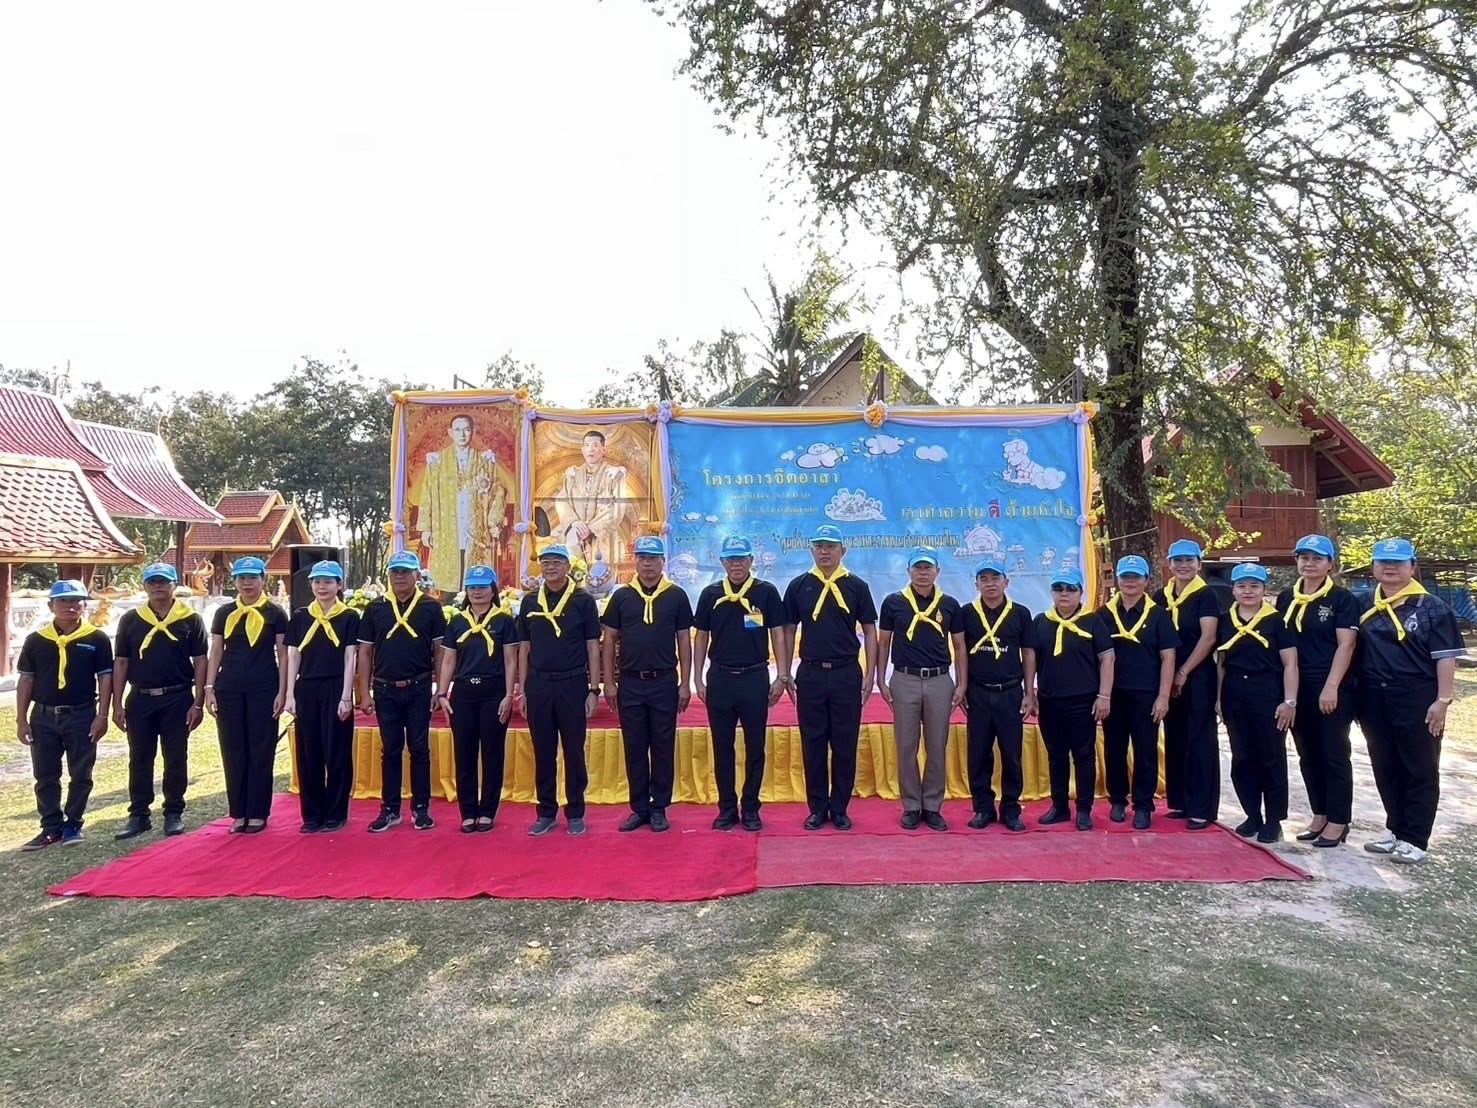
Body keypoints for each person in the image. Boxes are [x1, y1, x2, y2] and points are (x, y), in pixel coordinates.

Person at [1355, 538, 1465, 864]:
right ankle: (1395, 829)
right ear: (1374, 566)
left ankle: (1415, 838)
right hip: (1374, 696)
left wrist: (1443, 701)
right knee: (1384, 764)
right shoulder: (1363, 604)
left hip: (1416, 696)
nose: (1390, 568)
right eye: (1383, 562)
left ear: (1412, 567)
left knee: (1419, 767)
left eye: (1399, 563)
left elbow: (1446, 659)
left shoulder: (1433, 608)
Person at [782, 524, 878, 831]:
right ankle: (816, 807)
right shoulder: (799, 586)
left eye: (831, 546)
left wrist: (871, 674)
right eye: (820, 546)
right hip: (810, 673)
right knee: (813, 743)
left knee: (844, 743)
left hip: (846, 673)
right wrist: (785, 672)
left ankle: (839, 808)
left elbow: (870, 631)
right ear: (812, 550)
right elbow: (786, 629)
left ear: (843, 551)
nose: (825, 552)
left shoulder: (856, 586)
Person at [692, 534, 790, 831]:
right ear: (722, 562)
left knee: (755, 746)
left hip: (755, 678)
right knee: (722, 746)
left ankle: (750, 807)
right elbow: (700, 637)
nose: (737, 564)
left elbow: (778, 633)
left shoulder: (766, 593)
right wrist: (697, 678)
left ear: (751, 561)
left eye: (742, 559)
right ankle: (725, 808)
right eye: (731, 559)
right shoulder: (710, 594)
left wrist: (781, 675)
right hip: (720, 679)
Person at [602, 536, 694, 832]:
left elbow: (684, 640)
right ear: (636, 561)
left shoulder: (676, 596)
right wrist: (609, 683)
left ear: (662, 562)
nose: (648, 563)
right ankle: (638, 807)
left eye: (653, 558)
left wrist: (685, 683)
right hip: (630, 683)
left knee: (663, 745)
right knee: (635, 746)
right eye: (642, 558)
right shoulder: (622, 596)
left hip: (664, 682)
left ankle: (659, 807)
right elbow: (609, 640)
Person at [1274, 535, 1360, 848]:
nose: (1309, 563)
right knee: (1307, 753)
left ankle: (1339, 820)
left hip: (1331, 687)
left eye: (1317, 558)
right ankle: (1320, 813)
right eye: (1304, 557)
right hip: (1298, 687)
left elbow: (1346, 645)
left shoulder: (1342, 599)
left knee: (1334, 753)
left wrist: (1332, 686)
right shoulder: (1286, 598)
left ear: (1330, 564)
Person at [15, 580, 113, 850]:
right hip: (43, 717)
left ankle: (73, 823)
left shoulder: (97, 638)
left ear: (84, 604)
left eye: (76, 601)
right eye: (63, 601)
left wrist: (102, 715)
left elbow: (105, 678)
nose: (70, 606)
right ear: (51, 605)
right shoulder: (36, 640)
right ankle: (50, 826)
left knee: (81, 771)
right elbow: (26, 680)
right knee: (45, 774)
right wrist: (21, 719)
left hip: (81, 714)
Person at [112, 562, 206, 840]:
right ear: (144, 586)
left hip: (177, 696)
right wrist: (117, 704)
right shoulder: (131, 619)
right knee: (139, 757)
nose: (157, 586)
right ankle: (139, 814)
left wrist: (197, 702)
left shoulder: (189, 619)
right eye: (152, 582)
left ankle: (174, 811)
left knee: (175, 756)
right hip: (140, 697)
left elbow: (201, 661)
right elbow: (121, 662)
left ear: (174, 585)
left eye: (163, 582)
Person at [877, 546, 967, 831]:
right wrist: (881, 678)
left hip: (940, 680)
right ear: (908, 571)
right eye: (917, 567)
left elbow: (960, 645)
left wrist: (961, 682)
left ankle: (932, 805)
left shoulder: (950, 604)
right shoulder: (894, 603)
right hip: (904, 680)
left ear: (937, 571)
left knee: (937, 745)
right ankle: (911, 805)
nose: (922, 573)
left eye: (928, 567)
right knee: (906, 745)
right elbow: (883, 643)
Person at [356, 550, 446, 833]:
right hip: (384, 689)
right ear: (389, 575)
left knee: (419, 748)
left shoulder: (431, 608)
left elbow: (440, 652)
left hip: (419, 687)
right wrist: (364, 691)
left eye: (406, 572)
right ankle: (390, 809)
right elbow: (365, 652)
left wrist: (440, 688)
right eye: (395, 572)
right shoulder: (376, 608)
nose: (400, 576)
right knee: (391, 749)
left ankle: (421, 809)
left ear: (417, 575)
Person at [516, 544, 602, 836]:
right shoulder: (530, 602)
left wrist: (594, 688)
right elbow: (523, 647)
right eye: (545, 562)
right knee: (543, 750)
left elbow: (593, 645)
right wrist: (523, 688)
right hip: (539, 684)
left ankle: (575, 810)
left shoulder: (583, 601)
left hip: (573, 683)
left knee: (574, 750)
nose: (550, 567)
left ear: (568, 567)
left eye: (556, 562)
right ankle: (546, 811)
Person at [205, 557, 289, 834]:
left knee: (261, 749)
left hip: (264, 688)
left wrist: (283, 690)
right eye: (241, 578)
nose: (247, 583)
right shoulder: (224, 613)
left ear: (263, 580)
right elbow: (216, 651)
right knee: (233, 749)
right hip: (228, 688)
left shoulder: (275, 613)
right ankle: (239, 812)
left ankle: (257, 812)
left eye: (252, 577)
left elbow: (283, 654)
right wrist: (209, 688)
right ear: (235, 581)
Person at [1216, 563, 1297, 844]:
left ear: (1264, 589)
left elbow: (1290, 664)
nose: (1247, 591)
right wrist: (1218, 698)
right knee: (1242, 757)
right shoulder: (1226, 620)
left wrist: (1289, 701)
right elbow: (1221, 664)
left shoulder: (1277, 622)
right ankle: (1252, 814)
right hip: (1235, 691)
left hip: (1268, 692)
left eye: (1254, 586)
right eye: (1241, 586)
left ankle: (1274, 819)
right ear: (1233, 590)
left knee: (1270, 757)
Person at [1026, 567, 1113, 830]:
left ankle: (1084, 809)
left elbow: (1107, 658)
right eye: (1059, 588)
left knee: (1084, 755)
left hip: (1083, 701)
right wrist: (1030, 692)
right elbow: (1031, 658)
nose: (1064, 594)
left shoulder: (1093, 621)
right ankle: (1060, 806)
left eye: (1070, 589)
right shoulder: (1041, 621)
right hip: (1051, 700)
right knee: (1056, 755)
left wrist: (1104, 696)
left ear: (1080, 593)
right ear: (1052, 591)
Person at [436, 564, 519, 833]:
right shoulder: (458, 621)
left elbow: (510, 660)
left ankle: (488, 811)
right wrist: (442, 692)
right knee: (465, 753)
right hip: (463, 693)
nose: (477, 592)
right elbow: (448, 660)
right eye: (472, 587)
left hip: (493, 692)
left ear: (493, 590)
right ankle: (468, 811)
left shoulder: (504, 621)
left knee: (493, 752)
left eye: (482, 587)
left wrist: (509, 694)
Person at [1098, 555, 1177, 830]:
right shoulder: (1103, 615)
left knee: (1145, 752)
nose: (1130, 582)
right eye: (1125, 577)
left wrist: (1163, 696)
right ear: (1117, 581)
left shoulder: (1158, 615)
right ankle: (1118, 800)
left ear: (1146, 580)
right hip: (1114, 695)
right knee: (1114, 750)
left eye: (1136, 577)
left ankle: (1143, 805)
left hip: (1147, 695)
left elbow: (1168, 658)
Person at [284, 560, 360, 833]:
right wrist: (290, 694)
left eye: (328, 581)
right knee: (309, 752)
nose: (322, 586)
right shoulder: (301, 617)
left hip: (335, 687)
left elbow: (351, 656)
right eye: (317, 581)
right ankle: (312, 814)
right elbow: (293, 655)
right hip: (306, 688)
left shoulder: (350, 617)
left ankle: (336, 812)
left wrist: (345, 696)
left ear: (339, 585)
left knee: (336, 750)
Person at [959, 553, 1034, 832]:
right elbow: (960, 651)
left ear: (1007, 581)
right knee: (978, 753)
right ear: (976, 584)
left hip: (1010, 693)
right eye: (984, 579)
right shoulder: (966, 613)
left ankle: (1011, 809)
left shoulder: (1020, 613)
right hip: (978, 693)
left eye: (995, 578)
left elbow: (1028, 653)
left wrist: (1029, 691)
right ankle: (983, 808)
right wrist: (963, 686)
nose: (990, 584)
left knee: (1011, 753)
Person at [1154, 538, 1222, 828]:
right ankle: (1181, 801)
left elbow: (1208, 638)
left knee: (1200, 740)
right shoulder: (1160, 596)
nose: (1183, 566)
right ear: (1169, 564)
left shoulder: (1206, 595)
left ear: (1199, 564)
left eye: (1189, 560)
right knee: (1176, 737)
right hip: (1168, 678)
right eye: (1177, 561)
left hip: (1198, 676)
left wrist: (1183, 671)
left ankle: (1202, 808)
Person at [418, 413, 507, 590]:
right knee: (448, 569)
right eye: (458, 430)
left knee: (474, 567)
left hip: (474, 522)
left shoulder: (484, 460)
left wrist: (493, 522)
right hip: (446, 523)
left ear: (472, 432)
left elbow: (497, 492)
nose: (462, 434)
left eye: (466, 429)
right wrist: (426, 528)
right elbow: (426, 494)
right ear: (450, 432)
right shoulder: (437, 461)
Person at [553, 429, 636, 569]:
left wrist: (592, 528)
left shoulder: (614, 474)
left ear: (604, 449)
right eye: (587, 445)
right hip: (576, 536)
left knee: (601, 582)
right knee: (575, 578)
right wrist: (574, 522)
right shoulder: (572, 475)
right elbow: (561, 501)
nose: (590, 449)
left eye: (595, 445)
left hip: (603, 538)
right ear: (582, 449)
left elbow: (618, 507)